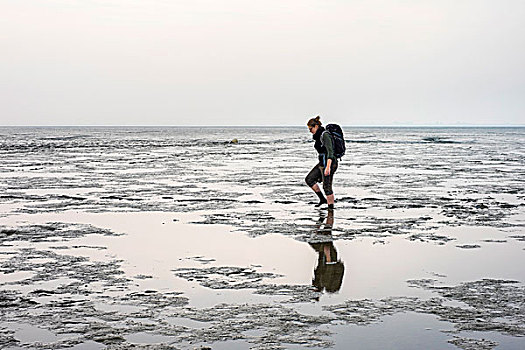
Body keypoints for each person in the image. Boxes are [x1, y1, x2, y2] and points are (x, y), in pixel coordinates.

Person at [305, 116, 338, 210]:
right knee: (309, 179)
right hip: (322, 163)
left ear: (316, 126)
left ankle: (330, 209)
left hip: (330, 163)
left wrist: (328, 167)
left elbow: (330, 152)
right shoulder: (318, 137)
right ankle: (322, 199)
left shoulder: (325, 135)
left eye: (311, 129)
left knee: (327, 187)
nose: (310, 131)